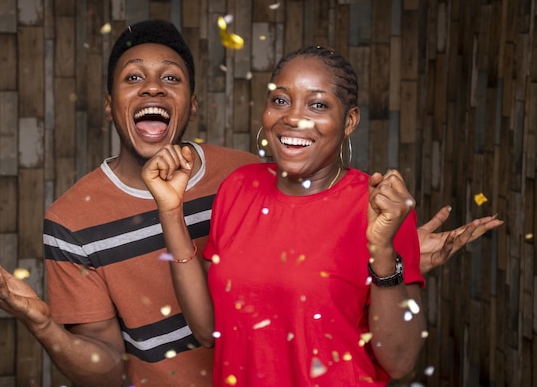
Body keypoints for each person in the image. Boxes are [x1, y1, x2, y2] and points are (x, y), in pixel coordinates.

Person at [0, 21, 502, 387]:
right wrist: (45, 326)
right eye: (133, 79)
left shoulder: (270, 180)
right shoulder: (80, 219)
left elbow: (386, 341)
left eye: (171, 79)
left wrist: (391, 261)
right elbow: (137, 355)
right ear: (110, 105)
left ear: (192, 102)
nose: (152, 90)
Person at [141, 45, 483, 386]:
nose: (294, 117)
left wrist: (382, 251)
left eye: (317, 105)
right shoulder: (238, 189)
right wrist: (171, 213)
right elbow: (208, 331)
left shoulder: (378, 208)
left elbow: (399, 362)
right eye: (281, 100)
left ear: (349, 121)